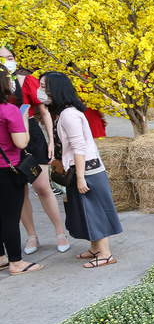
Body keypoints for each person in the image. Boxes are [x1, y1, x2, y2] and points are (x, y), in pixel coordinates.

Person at [45, 72, 122, 268]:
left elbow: (79, 147)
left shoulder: (69, 115)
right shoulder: (64, 113)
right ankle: (96, 248)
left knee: (95, 211)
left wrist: (80, 178)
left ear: (56, 89)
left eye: (44, 87)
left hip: (87, 171)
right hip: (80, 169)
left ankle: (105, 254)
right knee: (85, 210)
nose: (40, 91)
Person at [0, 47, 69, 254]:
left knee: (43, 187)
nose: (7, 61)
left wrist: (50, 140)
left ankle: (60, 232)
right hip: (8, 137)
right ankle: (32, 236)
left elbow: (43, 111)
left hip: (31, 133)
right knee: (19, 192)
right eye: (2, 58)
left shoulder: (26, 80)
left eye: (10, 57)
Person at [0, 67, 43, 275]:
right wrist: (23, 120)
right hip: (7, 170)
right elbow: (21, 142)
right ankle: (16, 262)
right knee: (9, 216)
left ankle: (1, 257)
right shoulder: (8, 110)